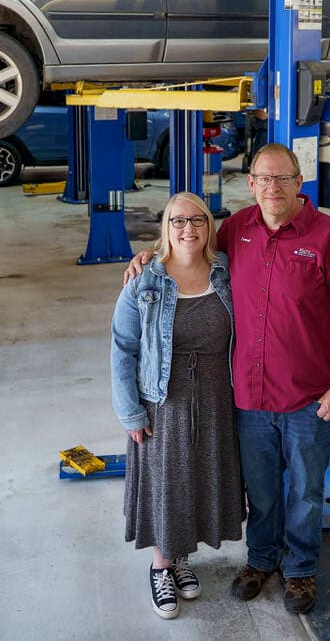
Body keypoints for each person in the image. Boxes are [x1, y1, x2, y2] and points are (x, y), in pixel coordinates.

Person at [126, 143, 330, 615]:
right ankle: (261, 560)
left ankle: (299, 569)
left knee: (304, 490)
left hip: (309, 397)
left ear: (300, 183)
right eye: (263, 178)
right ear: (251, 183)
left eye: (282, 178)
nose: (272, 187)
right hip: (250, 397)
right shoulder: (237, 230)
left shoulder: (329, 238)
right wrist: (148, 256)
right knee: (259, 490)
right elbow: (187, 250)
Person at [111, 191, 244, 620]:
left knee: (200, 477)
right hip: (162, 398)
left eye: (197, 221)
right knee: (167, 482)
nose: (189, 230)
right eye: (178, 222)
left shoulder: (225, 273)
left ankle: (183, 555)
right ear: (166, 228)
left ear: (209, 227)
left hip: (216, 395)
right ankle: (161, 565)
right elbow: (122, 348)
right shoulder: (145, 280)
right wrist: (130, 410)